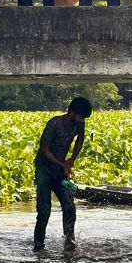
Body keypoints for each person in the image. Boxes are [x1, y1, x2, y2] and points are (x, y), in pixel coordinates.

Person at [34, 97, 91, 252]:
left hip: (60, 170)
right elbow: (44, 149)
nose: (82, 121)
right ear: (71, 113)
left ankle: (69, 242)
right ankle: (38, 247)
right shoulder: (54, 124)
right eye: (80, 117)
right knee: (44, 211)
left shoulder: (79, 124)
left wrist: (71, 160)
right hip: (44, 169)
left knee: (69, 206)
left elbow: (80, 140)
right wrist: (62, 163)